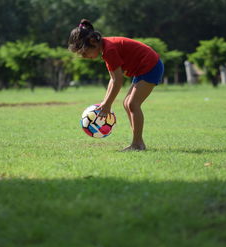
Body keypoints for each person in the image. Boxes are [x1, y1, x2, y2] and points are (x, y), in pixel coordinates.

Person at [68, 19, 164, 151]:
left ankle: (137, 144)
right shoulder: (106, 48)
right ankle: (138, 142)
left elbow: (118, 81)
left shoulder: (109, 50)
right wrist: (105, 102)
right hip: (143, 68)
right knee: (127, 104)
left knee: (133, 104)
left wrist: (108, 104)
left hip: (151, 66)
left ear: (92, 41)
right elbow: (113, 78)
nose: (84, 57)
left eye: (84, 53)